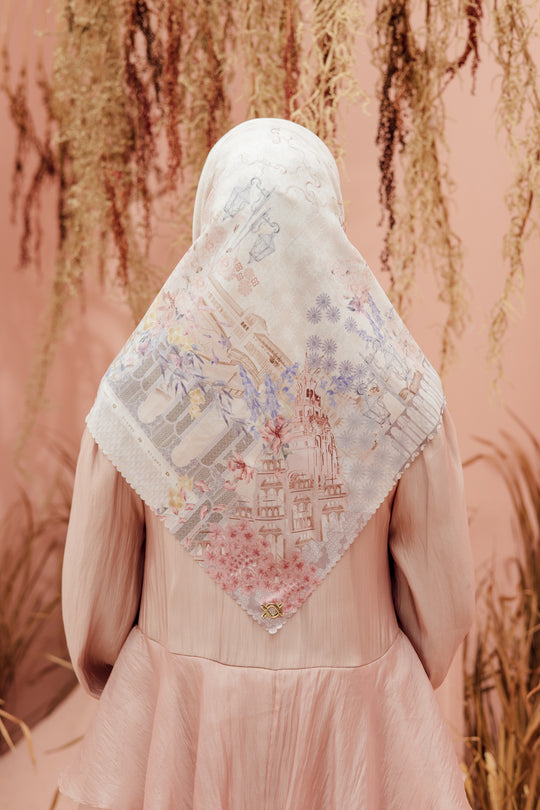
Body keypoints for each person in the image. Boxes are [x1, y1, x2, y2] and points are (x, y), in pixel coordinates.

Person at [59, 118, 475, 809]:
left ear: (211, 222)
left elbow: (96, 616)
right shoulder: (400, 394)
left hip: (177, 727)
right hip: (356, 733)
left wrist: (156, 670)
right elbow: (443, 610)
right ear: (330, 223)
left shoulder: (138, 396)